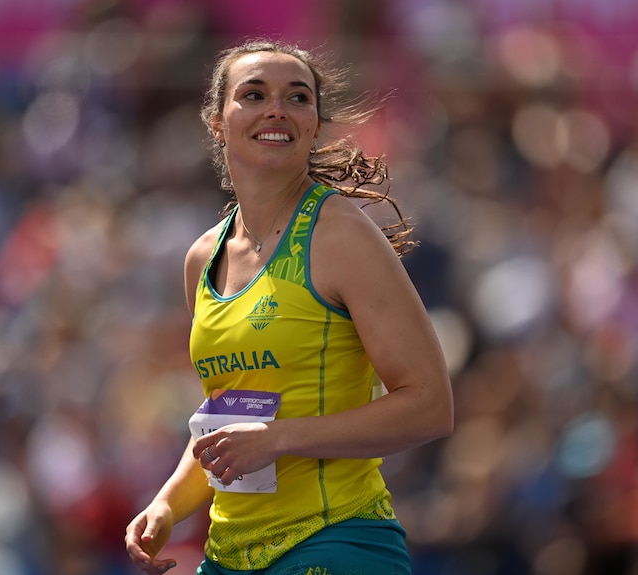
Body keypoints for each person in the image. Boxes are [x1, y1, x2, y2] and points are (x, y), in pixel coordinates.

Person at [124, 38, 454, 575]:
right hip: (228, 555)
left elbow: (430, 405)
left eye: (297, 98)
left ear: (315, 125)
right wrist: (167, 504)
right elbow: (224, 424)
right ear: (216, 121)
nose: (276, 108)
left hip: (335, 541)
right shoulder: (202, 257)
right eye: (253, 95)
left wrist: (280, 439)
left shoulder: (342, 235)